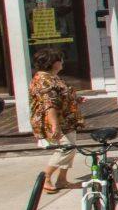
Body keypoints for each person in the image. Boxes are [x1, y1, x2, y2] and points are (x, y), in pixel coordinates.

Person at [29, 50, 83, 195]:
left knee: (71, 147)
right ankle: (46, 176)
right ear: (52, 63)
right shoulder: (43, 80)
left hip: (66, 119)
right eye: (60, 60)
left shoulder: (52, 77)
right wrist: (55, 125)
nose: (62, 62)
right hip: (56, 120)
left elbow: (62, 95)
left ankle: (62, 180)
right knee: (66, 148)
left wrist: (75, 99)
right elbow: (49, 105)